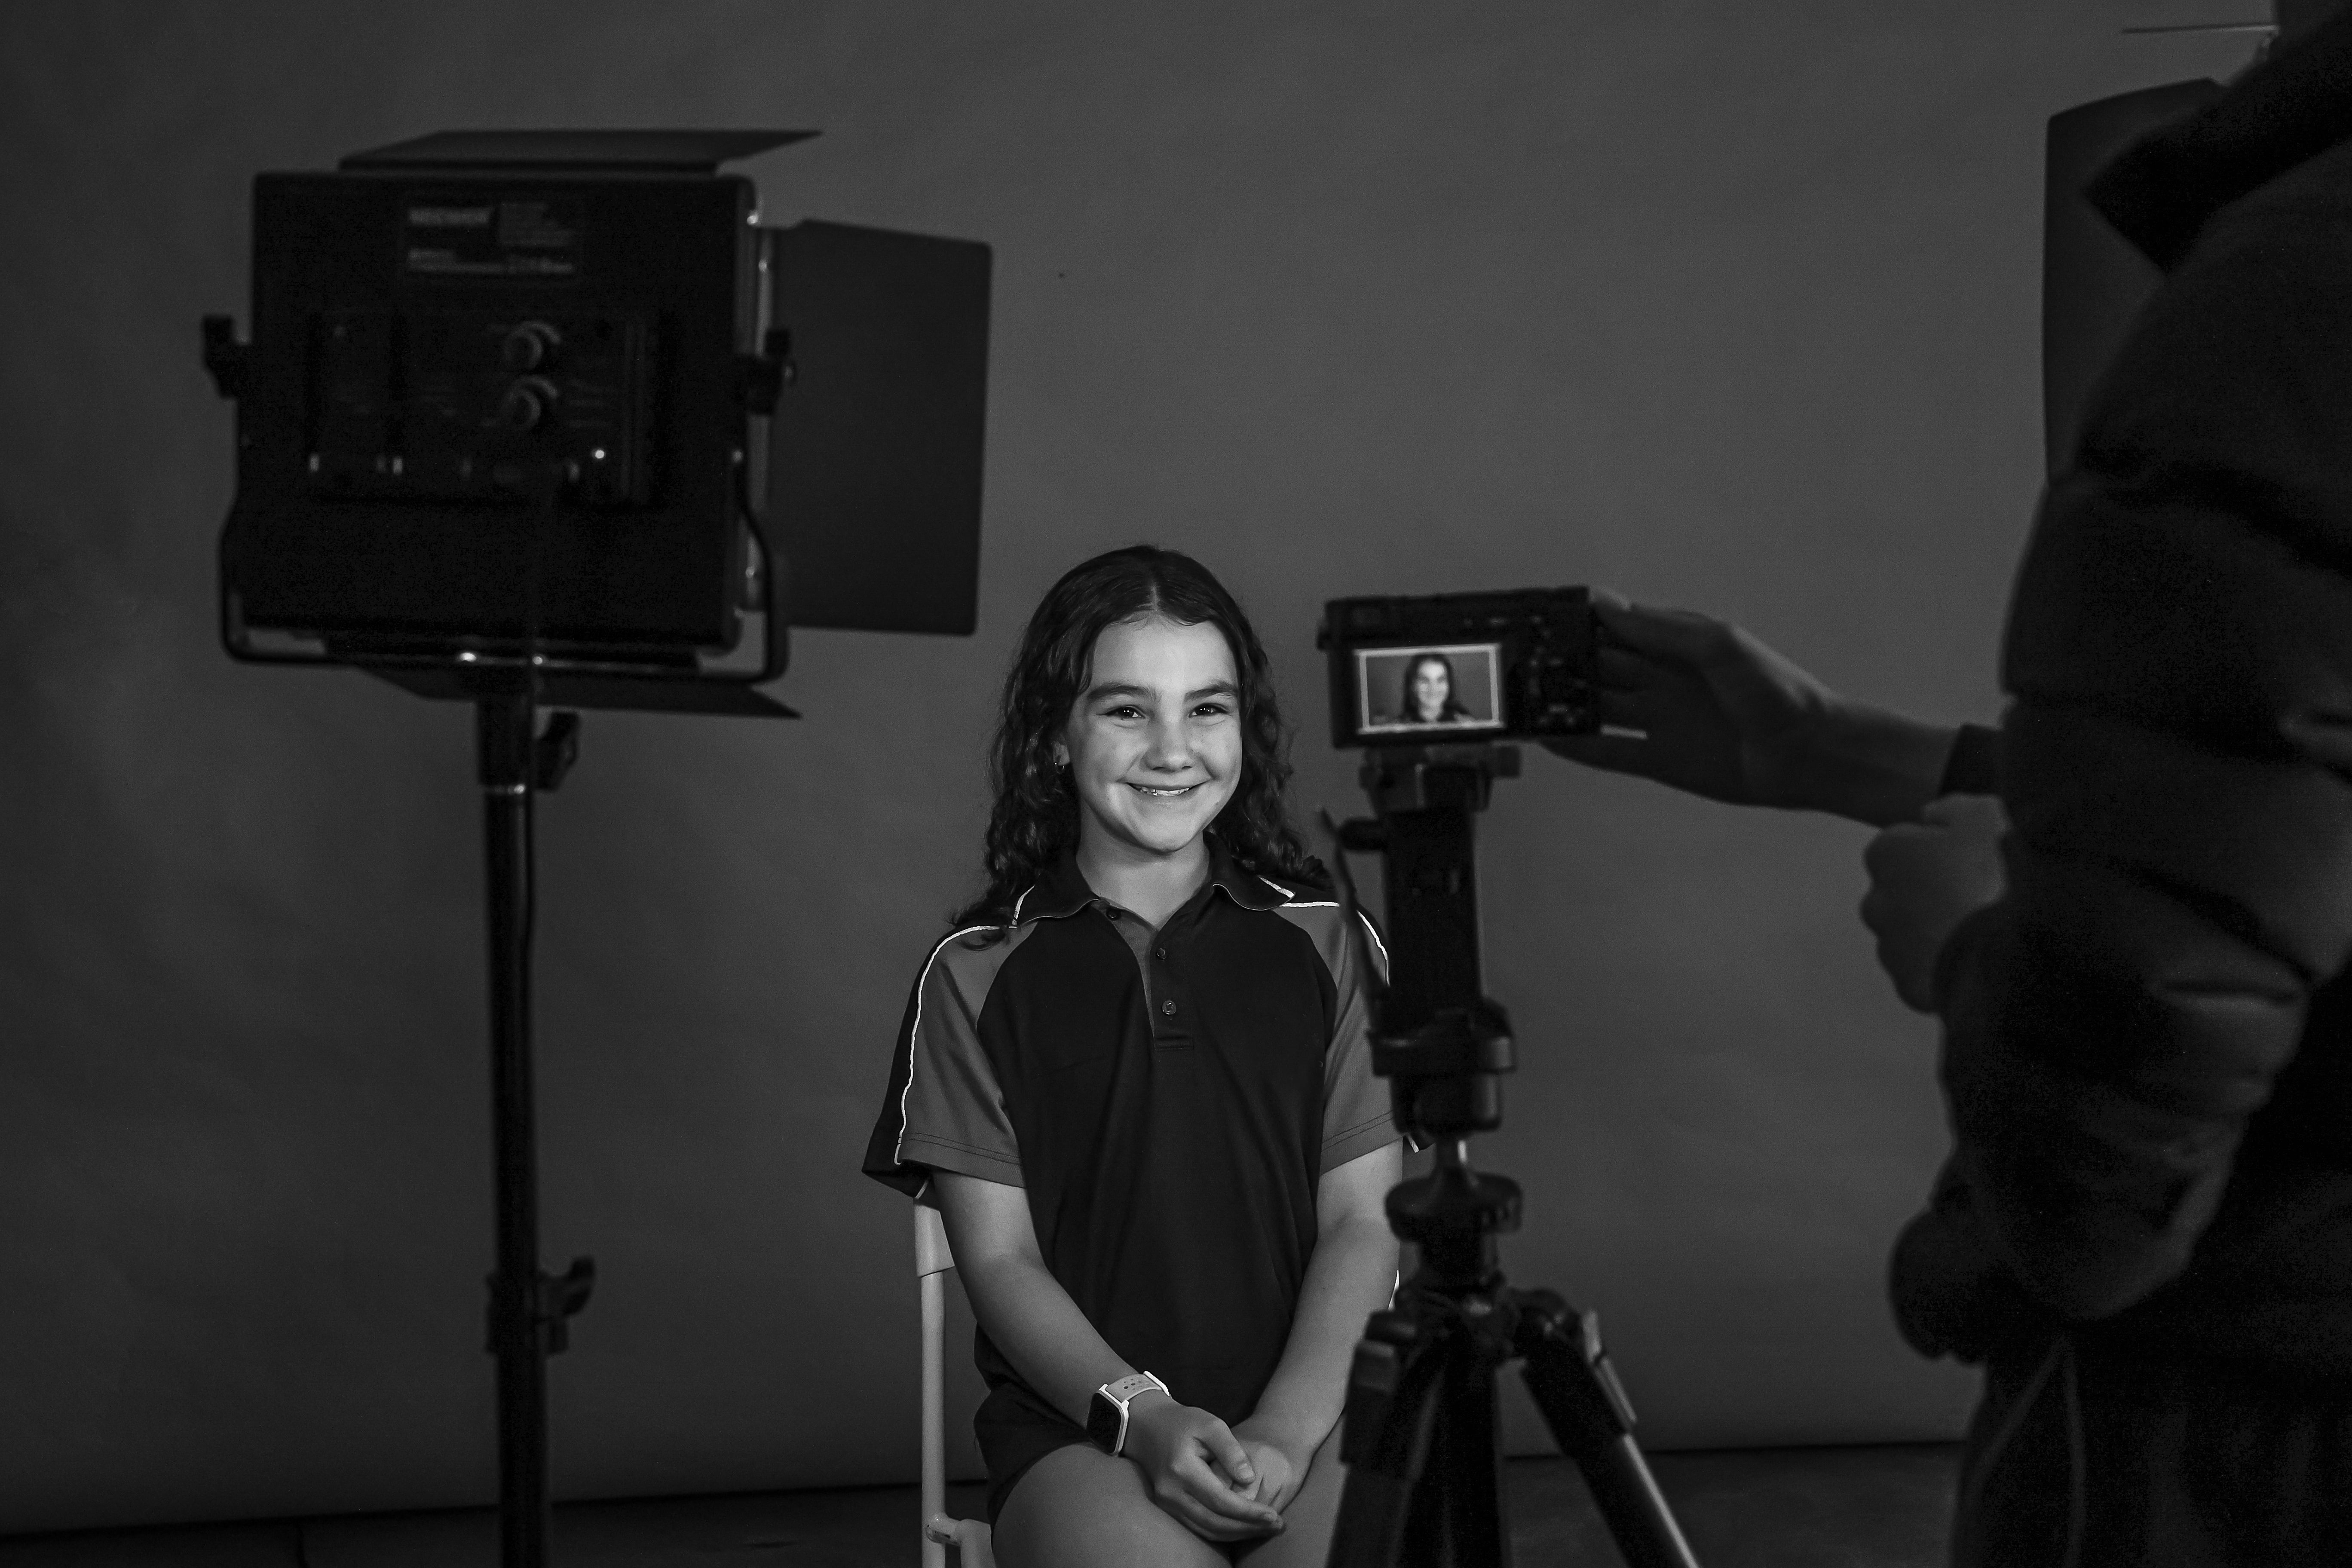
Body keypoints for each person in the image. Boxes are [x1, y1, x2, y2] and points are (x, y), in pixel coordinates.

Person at [1550, 6, 2352, 1560]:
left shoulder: (2304, 268)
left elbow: (2096, 1192)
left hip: (2240, 1457)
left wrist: (1977, 943)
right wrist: (1840, 754)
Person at [862, 545, 1402, 1568]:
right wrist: (1144, 1417)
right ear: (1054, 737)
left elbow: (1362, 1223)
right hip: (1087, 1435)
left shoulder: (1330, 943)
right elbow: (1001, 1262)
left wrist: (1285, 1434)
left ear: (1245, 728)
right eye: (1125, 710)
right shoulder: (974, 973)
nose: (1172, 749)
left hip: (1319, 1414)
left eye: (1207, 709)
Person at [1396, 651, 1475, 726]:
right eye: (1425, 680)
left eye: (1440, 680)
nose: (1433, 688)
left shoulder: (1467, 726)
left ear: (1449, 684)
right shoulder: (1396, 729)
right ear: (1413, 685)